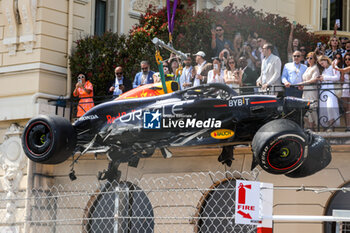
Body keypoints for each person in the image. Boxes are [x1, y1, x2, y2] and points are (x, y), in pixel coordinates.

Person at [297, 52, 320, 130]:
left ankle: (313, 127)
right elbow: (306, 79)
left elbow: (314, 79)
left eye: (311, 58)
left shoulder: (315, 68)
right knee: (307, 109)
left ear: (314, 59)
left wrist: (302, 83)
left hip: (312, 90)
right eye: (307, 58)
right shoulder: (308, 68)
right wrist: (302, 86)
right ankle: (310, 128)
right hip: (306, 90)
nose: (309, 60)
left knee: (311, 108)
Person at [317, 55, 340, 130]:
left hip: (330, 91)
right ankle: (327, 126)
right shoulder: (324, 70)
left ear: (326, 60)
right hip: (323, 91)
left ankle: (331, 126)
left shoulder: (333, 66)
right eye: (320, 64)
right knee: (324, 109)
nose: (322, 65)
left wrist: (325, 78)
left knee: (330, 107)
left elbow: (337, 77)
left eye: (322, 63)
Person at [334, 52, 350, 131]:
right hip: (345, 90)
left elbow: (339, 69)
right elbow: (342, 81)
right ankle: (347, 126)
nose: (347, 60)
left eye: (349, 59)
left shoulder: (346, 68)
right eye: (346, 59)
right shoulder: (344, 69)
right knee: (346, 109)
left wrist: (335, 65)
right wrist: (342, 74)